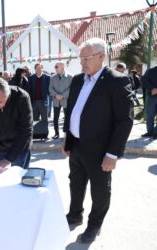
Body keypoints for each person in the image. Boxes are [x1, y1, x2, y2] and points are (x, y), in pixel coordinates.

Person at [62, 38, 134, 243]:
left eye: (86, 58)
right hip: (77, 144)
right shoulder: (78, 80)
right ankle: (75, 214)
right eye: (81, 58)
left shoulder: (117, 81)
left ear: (101, 56)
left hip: (101, 150)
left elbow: (124, 121)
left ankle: (95, 225)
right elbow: (71, 111)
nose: (82, 62)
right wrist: (67, 138)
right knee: (75, 183)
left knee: (100, 190)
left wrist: (113, 154)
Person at [0, 77, 33, 172]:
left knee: (17, 182)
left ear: (8, 95)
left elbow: (26, 131)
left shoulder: (21, 98)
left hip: (19, 148)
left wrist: (9, 159)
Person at [49, 62, 72, 139]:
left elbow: (71, 89)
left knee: (67, 117)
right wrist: (56, 95)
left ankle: (67, 134)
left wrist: (62, 96)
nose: (55, 68)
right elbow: (50, 88)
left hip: (65, 100)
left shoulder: (70, 77)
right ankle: (56, 133)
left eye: (56, 66)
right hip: (56, 101)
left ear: (62, 67)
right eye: (55, 67)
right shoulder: (52, 77)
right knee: (55, 118)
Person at [142, 65, 157, 139]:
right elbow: (144, 80)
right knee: (150, 115)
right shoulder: (150, 71)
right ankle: (150, 132)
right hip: (152, 97)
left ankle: (156, 133)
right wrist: (151, 89)